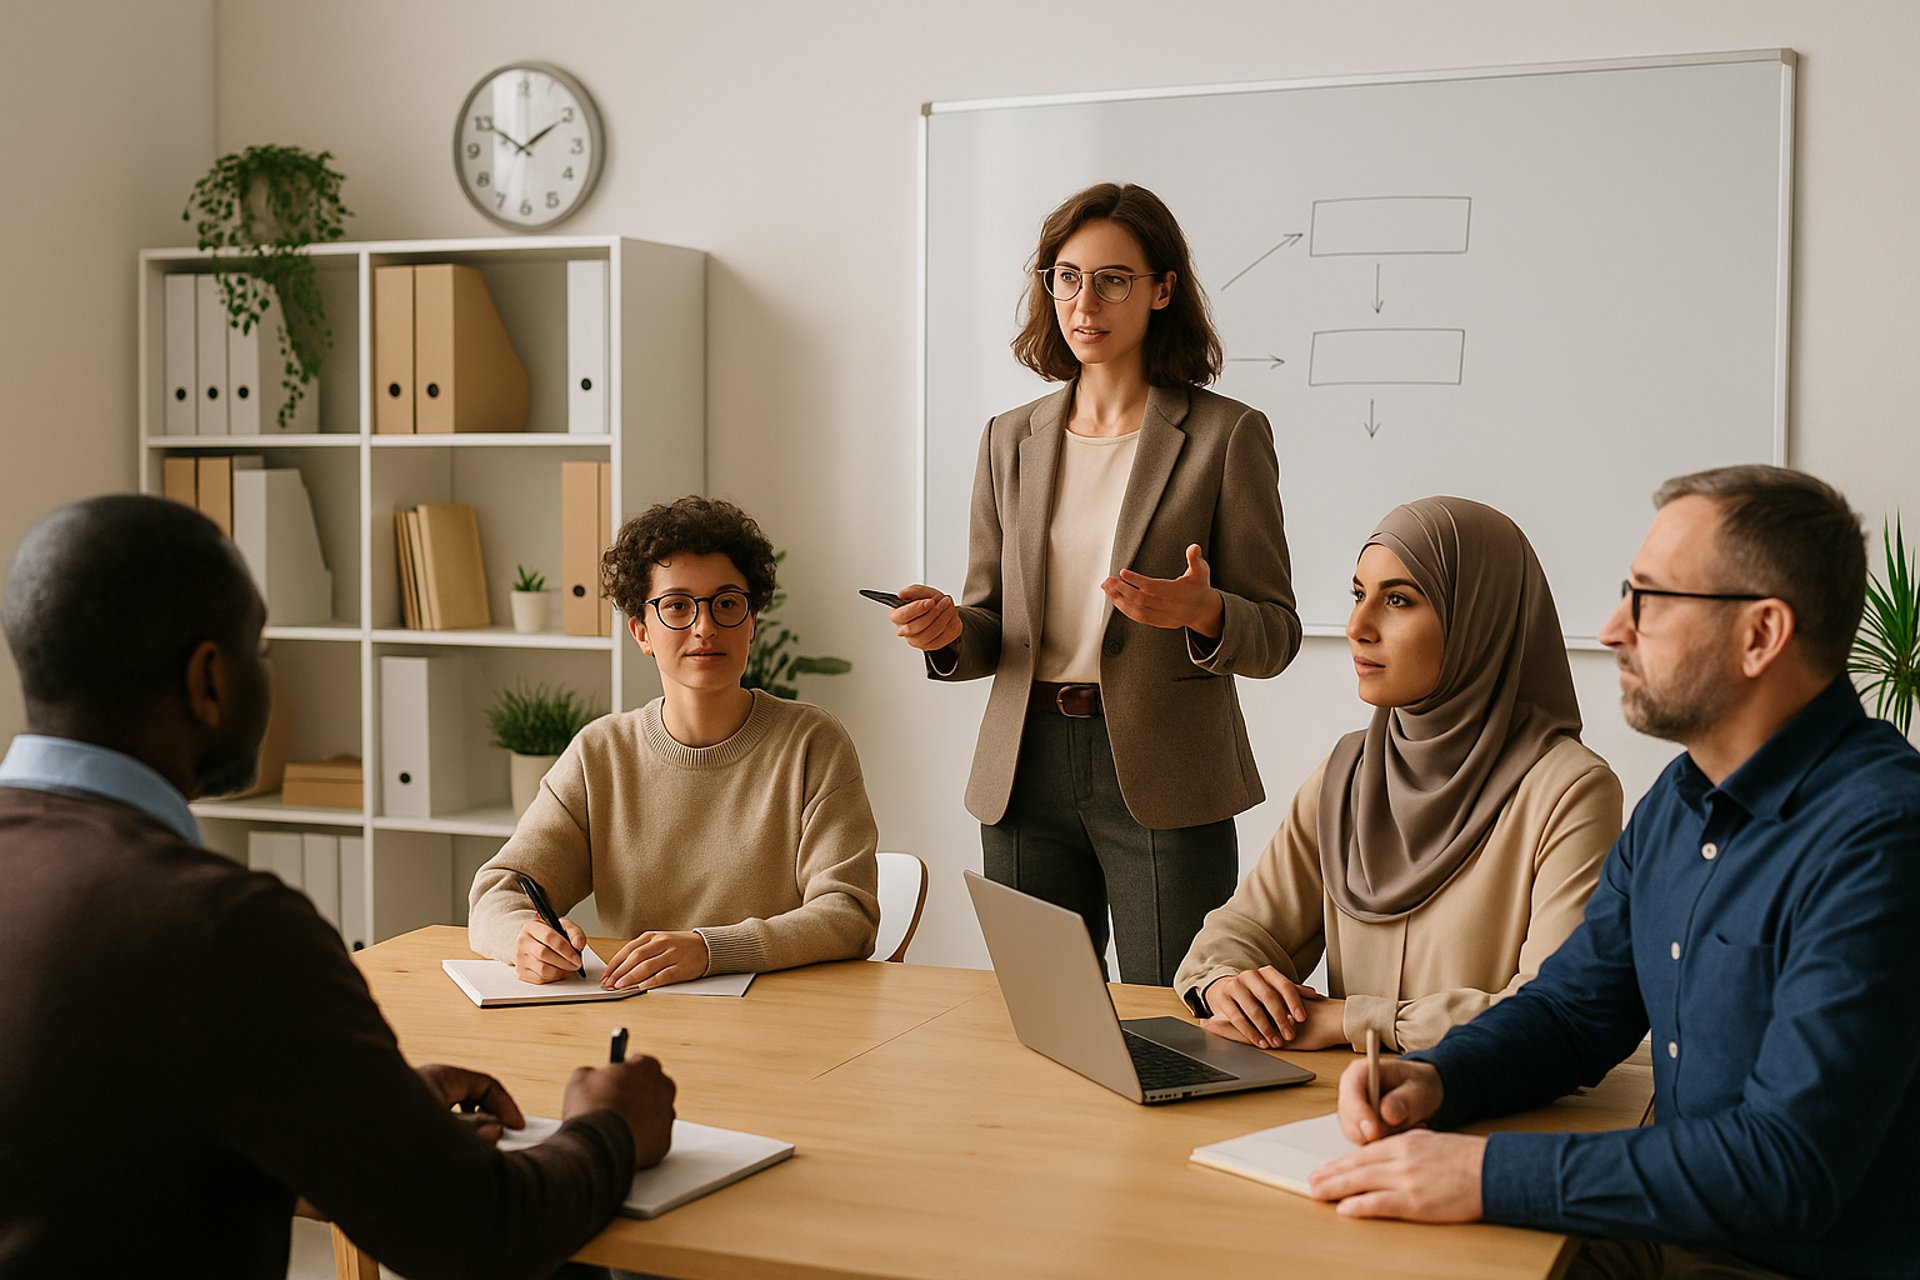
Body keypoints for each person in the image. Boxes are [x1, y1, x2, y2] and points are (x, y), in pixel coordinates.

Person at [0, 494, 675, 1279]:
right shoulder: (229, 931)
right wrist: (608, 1128)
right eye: (259, 650)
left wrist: (365, 1111)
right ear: (209, 680)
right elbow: (477, 1231)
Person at [1310, 466, 1920, 1280]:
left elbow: (1786, 1168)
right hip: (1671, 1237)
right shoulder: (1679, 798)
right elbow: (1573, 1013)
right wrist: (1437, 1079)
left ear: (1761, 635)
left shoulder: (1882, 838)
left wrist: (1484, 1175)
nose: (1611, 631)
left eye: (1650, 601)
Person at [888, 181, 1300, 984]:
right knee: (1046, 1011)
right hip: (1024, 766)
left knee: (1177, 1016)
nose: (1085, 302)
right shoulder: (1009, 438)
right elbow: (990, 621)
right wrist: (948, 631)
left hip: (1163, 768)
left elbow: (1277, 632)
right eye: (1067, 278)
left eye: (1113, 280)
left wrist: (1206, 612)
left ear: (1162, 290)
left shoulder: (1226, 435)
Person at [1175, 497, 1622, 1053]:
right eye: (1358, 595)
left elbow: (1553, 1010)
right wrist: (1227, 984)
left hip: (1489, 1098)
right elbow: (1234, 936)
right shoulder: (1349, 773)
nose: (1357, 627)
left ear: (1477, 619)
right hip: (1345, 1097)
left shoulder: (1569, 791)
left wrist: (1352, 1021)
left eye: (1398, 600)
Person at [470, 495, 879, 989]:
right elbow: (496, 892)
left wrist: (711, 950)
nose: (705, 627)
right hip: (642, 1013)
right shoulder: (600, 754)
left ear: (751, 624)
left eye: (727, 604)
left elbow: (848, 914)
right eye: (678, 606)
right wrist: (523, 939)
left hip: (780, 1015)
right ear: (641, 631)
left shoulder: (812, 744)